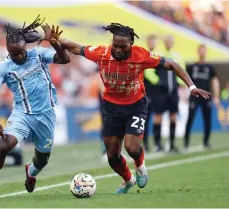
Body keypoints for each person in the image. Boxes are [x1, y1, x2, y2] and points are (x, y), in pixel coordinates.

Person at [58, 23, 210, 194]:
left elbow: (173, 64)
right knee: (112, 156)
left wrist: (191, 87)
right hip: (112, 107)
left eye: (122, 46)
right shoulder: (102, 53)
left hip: (135, 105)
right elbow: (76, 47)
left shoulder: (141, 55)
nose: (118, 50)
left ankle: (140, 166)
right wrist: (57, 39)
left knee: (131, 147)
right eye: (115, 45)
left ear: (131, 44)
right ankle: (128, 180)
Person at [0, 17, 70, 199]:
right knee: (5, 145)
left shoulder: (38, 53)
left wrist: (55, 43)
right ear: (8, 51)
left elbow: (64, 59)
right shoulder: (4, 67)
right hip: (22, 114)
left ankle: (31, 172)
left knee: (42, 159)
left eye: (21, 52)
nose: (19, 56)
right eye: (14, 54)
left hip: (46, 114)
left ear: (25, 46)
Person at [151, 35, 186, 152]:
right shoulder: (158, 54)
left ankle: (171, 144)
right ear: (164, 42)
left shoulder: (177, 56)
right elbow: (148, 71)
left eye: (171, 41)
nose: (169, 43)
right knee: (158, 116)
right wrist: (158, 82)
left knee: (173, 116)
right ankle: (157, 144)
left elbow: (182, 70)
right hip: (160, 92)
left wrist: (179, 83)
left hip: (173, 92)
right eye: (167, 41)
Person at [184, 44, 220, 149]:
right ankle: (186, 142)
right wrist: (185, 93)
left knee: (207, 119)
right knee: (190, 118)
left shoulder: (210, 67)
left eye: (204, 50)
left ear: (206, 52)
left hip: (206, 96)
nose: (202, 52)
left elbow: (215, 81)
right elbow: (186, 80)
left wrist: (216, 96)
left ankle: (206, 141)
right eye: (201, 50)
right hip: (194, 97)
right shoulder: (192, 67)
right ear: (198, 52)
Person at [143, 34, 158, 152]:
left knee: (158, 117)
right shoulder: (144, 55)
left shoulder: (159, 55)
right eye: (151, 41)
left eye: (154, 41)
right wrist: (158, 81)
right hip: (146, 92)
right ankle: (146, 144)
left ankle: (157, 143)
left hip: (157, 93)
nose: (152, 43)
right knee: (145, 120)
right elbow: (147, 74)